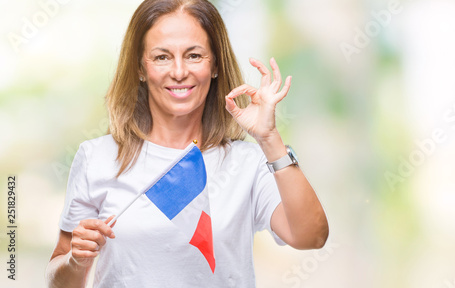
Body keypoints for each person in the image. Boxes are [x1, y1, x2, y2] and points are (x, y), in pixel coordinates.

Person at [46, 0, 329, 287]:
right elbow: (60, 281)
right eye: (161, 57)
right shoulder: (96, 157)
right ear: (140, 68)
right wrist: (75, 260)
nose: (179, 71)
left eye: (194, 56)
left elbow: (311, 237)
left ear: (215, 65)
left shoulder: (248, 161)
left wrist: (270, 139)